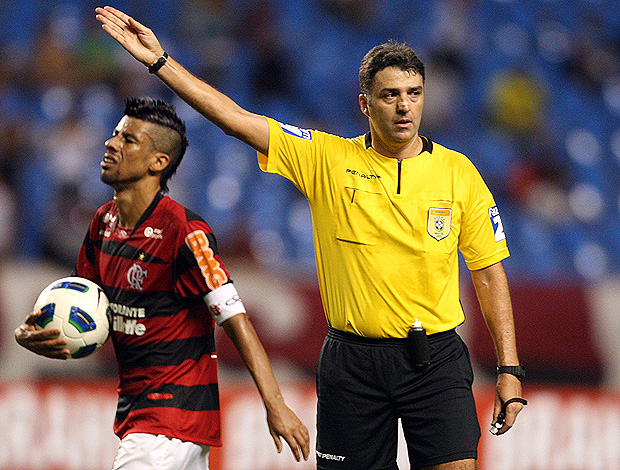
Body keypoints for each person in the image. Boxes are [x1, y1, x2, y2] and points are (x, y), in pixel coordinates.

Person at [94, 7, 527, 470]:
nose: (404, 106)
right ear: (365, 103)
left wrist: (509, 369)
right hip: (352, 363)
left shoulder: (459, 174)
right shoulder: (327, 159)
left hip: (436, 360)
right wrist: (160, 62)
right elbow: (235, 119)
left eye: (413, 94)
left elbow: (488, 271)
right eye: (390, 95)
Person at [14, 97, 310, 470]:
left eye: (129, 140)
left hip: (168, 422)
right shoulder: (103, 222)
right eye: (115, 134)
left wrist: (276, 405)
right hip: (145, 419)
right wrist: (38, 331)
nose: (111, 144)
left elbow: (236, 321)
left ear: (159, 162)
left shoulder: (186, 232)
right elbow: (89, 310)